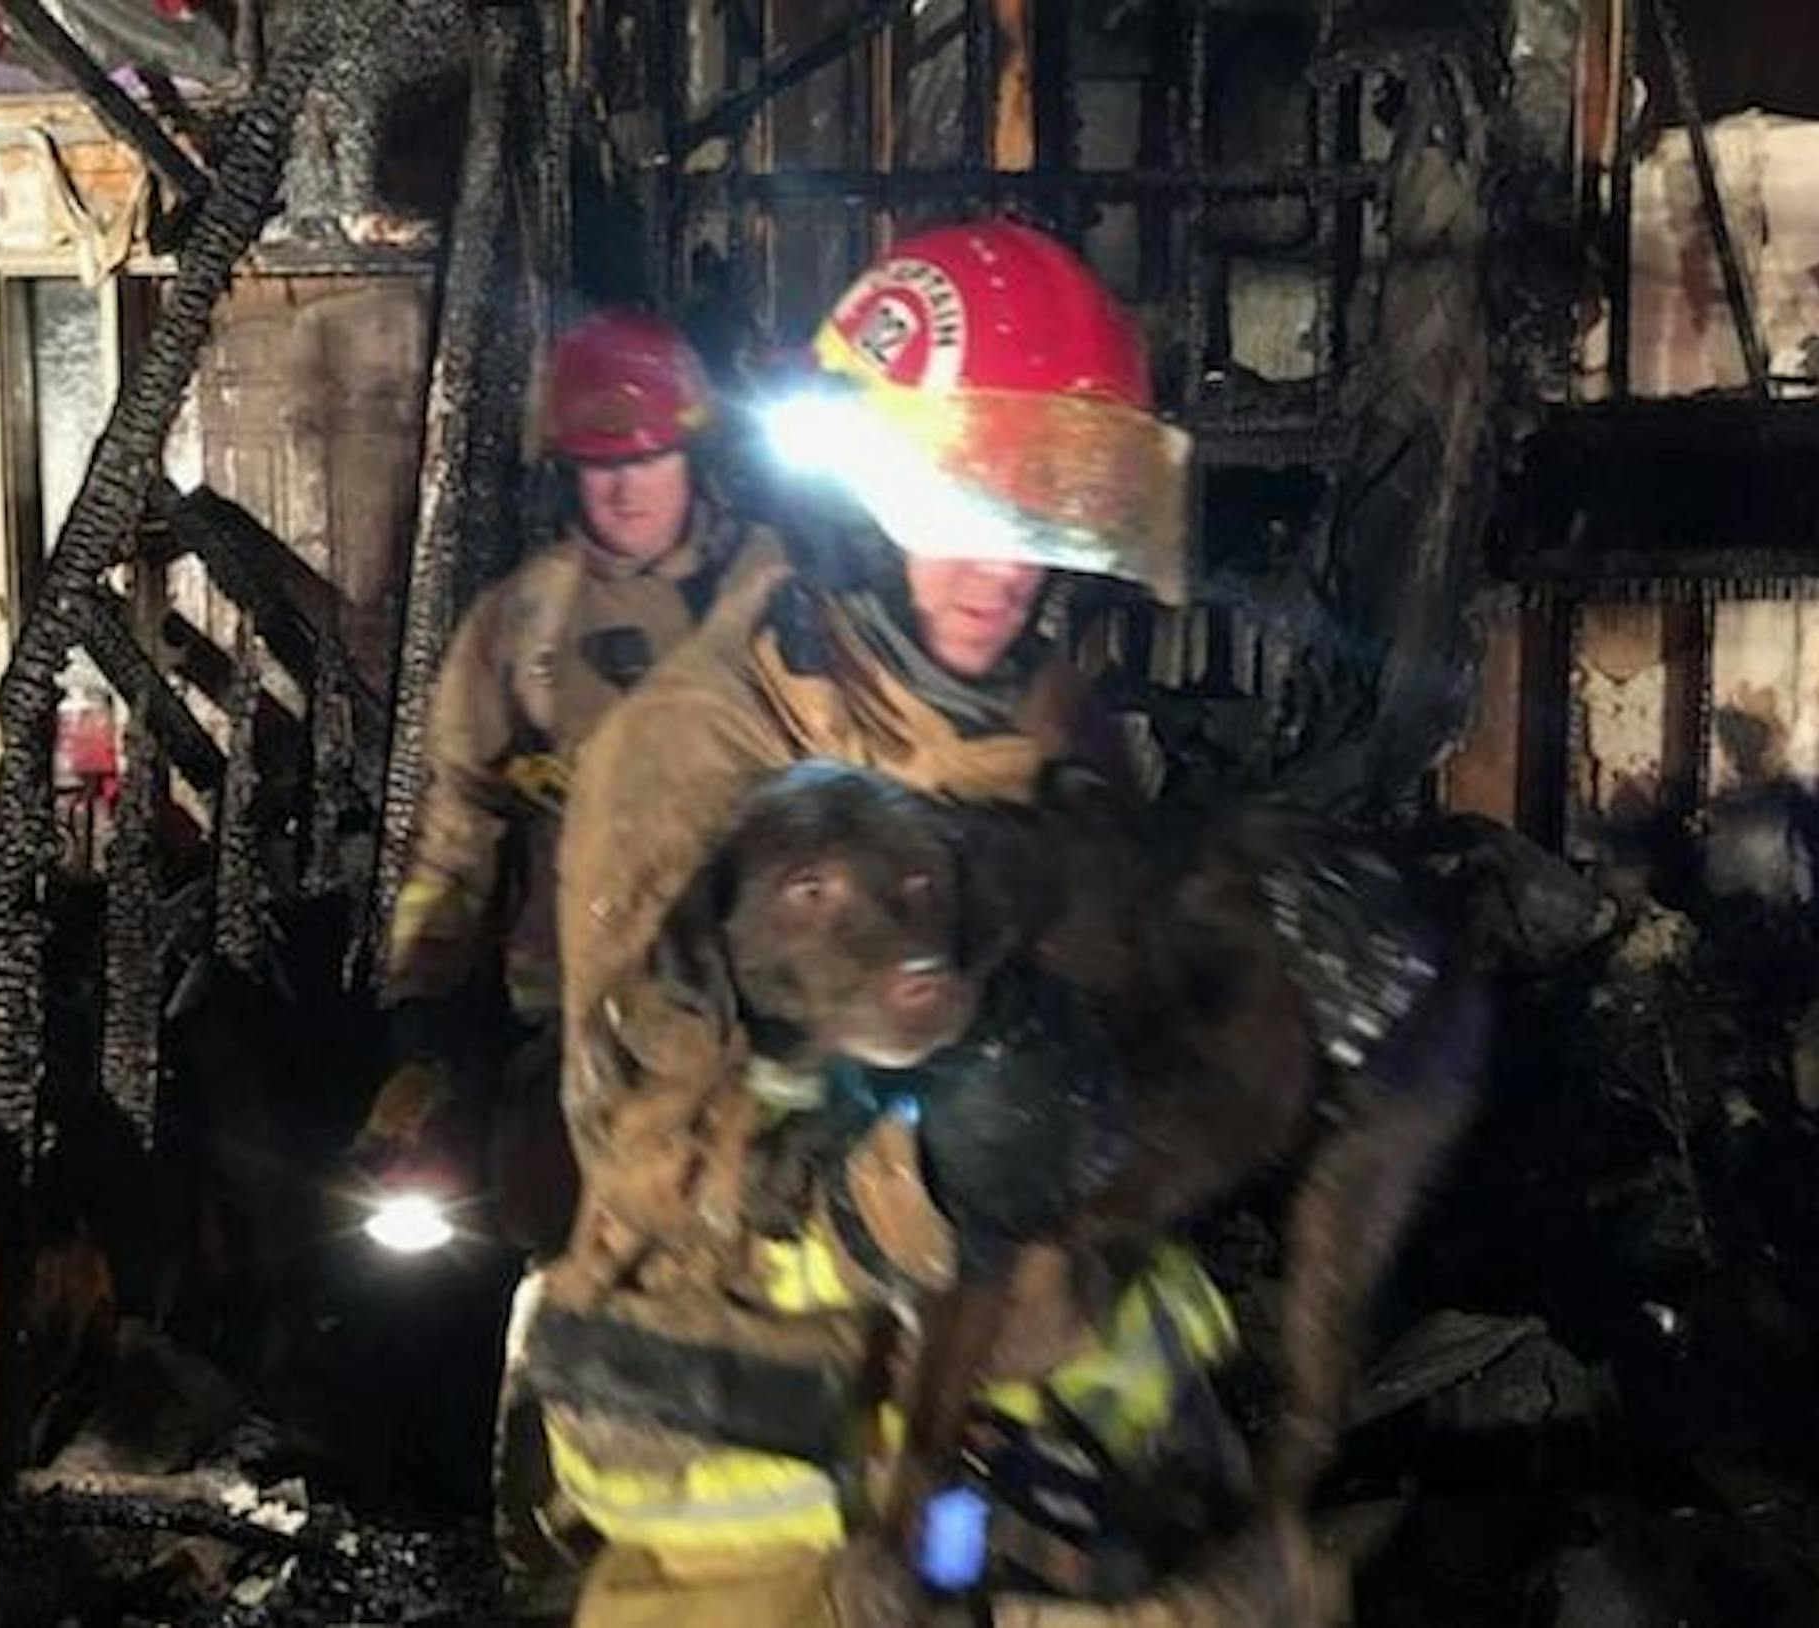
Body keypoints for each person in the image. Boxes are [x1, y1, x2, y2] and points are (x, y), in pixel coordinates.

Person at [524, 222, 1258, 1626]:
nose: (1006, 572)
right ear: (862, 501)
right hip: (762, 1429)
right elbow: (635, 1128)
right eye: (962, 512)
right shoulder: (698, 746)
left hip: (1055, 1409)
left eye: (1042, 518)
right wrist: (896, 1195)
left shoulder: (1057, 732)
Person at [363, 307, 778, 1253]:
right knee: (545, 1232)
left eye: (648, 460)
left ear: (695, 459)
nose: (626, 489)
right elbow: (459, 819)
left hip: (750, 1012)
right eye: (602, 466)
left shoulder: (772, 601)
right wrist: (421, 988)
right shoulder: (523, 622)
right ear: (570, 473)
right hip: (571, 1013)